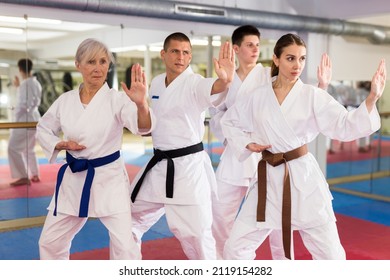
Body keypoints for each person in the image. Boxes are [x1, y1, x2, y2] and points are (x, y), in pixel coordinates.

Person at [221, 33, 386, 260]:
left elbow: (344, 125)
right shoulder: (257, 96)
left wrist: (371, 99)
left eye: (302, 59)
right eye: (290, 58)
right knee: (234, 249)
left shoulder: (313, 95)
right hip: (267, 182)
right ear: (276, 59)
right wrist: (246, 143)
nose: (297, 65)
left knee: (331, 255)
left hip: (303, 180)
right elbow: (230, 121)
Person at [209, 25, 332, 260]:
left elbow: (298, 101)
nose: (255, 49)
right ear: (236, 49)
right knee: (222, 217)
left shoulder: (269, 75)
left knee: (278, 222)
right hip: (238, 153)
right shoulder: (227, 78)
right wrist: (241, 138)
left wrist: (322, 87)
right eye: (249, 44)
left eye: (258, 44)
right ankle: (224, 264)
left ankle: (283, 266)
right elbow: (218, 115)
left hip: (269, 154)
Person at [36, 38, 154, 260]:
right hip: (74, 178)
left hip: (108, 179)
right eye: (91, 61)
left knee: (125, 246)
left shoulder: (117, 99)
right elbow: (43, 128)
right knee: (50, 241)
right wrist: (59, 144)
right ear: (78, 64)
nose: (98, 68)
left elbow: (143, 126)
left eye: (103, 61)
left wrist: (141, 105)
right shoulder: (65, 100)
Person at [129, 32, 235, 260]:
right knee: (126, 220)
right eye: (175, 51)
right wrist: (140, 105)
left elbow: (213, 87)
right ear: (163, 54)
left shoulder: (194, 82)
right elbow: (148, 127)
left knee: (197, 235)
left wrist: (224, 81)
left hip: (188, 170)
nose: (181, 57)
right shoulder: (156, 82)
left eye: (186, 52)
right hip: (158, 166)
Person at [8, 58, 42, 186]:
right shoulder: (36, 83)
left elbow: (23, 105)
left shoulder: (25, 85)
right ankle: (34, 174)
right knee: (29, 149)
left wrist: (14, 118)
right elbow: (30, 101)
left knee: (13, 148)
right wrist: (19, 87)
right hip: (34, 118)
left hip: (24, 119)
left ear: (20, 69)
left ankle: (23, 176)